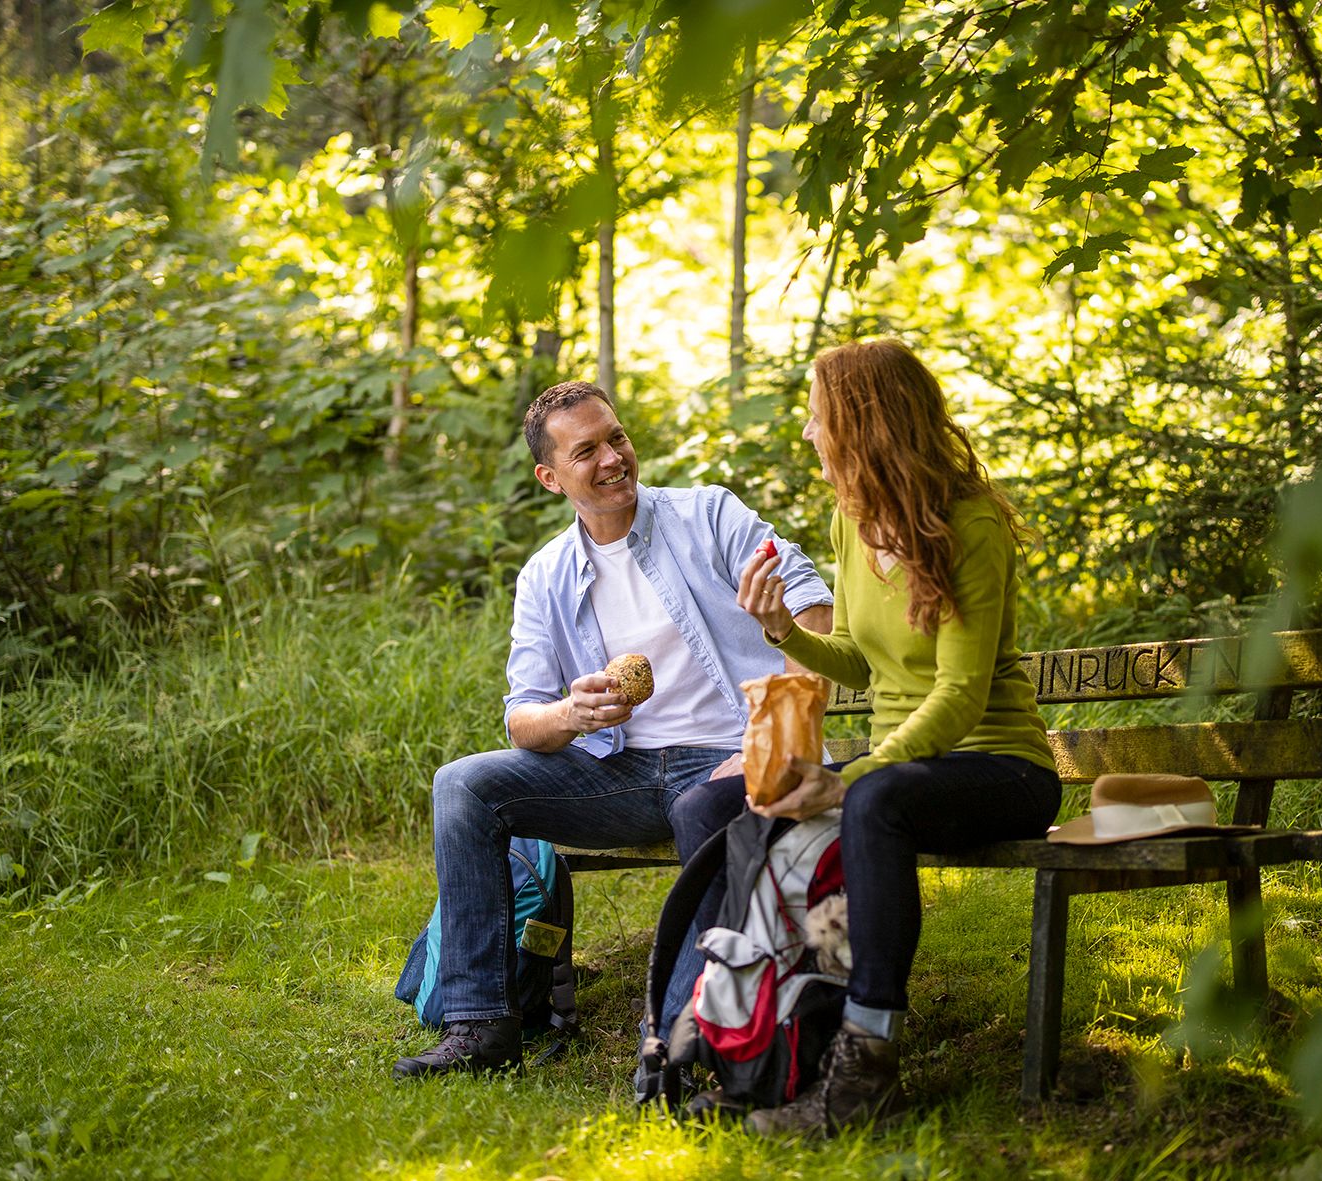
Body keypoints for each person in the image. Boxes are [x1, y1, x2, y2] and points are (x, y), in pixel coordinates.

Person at [392, 380, 833, 1080]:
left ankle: (690, 1025)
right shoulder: (545, 576)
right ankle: (481, 1023)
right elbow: (522, 716)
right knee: (463, 785)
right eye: (587, 450)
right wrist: (573, 713)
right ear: (550, 476)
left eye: (617, 438)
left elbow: (810, 604)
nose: (613, 458)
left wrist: (773, 738)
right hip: (619, 771)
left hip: (727, 756)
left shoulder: (708, 514)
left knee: (702, 809)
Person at [684, 339, 1062, 1136]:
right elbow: (855, 658)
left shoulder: (972, 523)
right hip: (902, 772)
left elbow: (960, 693)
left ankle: (867, 1066)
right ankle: (750, 1039)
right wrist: (779, 625)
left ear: (864, 425)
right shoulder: (852, 521)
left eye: (819, 418)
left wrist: (858, 775)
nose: (812, 435)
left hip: (1000, 767)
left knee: (875, 798)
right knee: (727, 804)